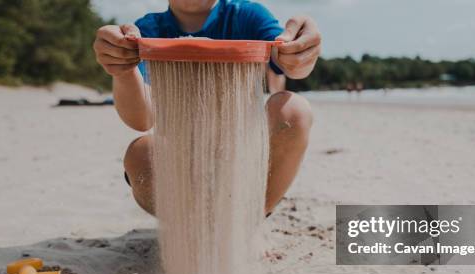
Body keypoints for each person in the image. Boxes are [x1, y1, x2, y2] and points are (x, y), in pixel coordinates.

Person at [93, 0, 321, 216]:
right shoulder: (148, 30)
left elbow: (287, 59)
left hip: (244, 161)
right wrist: (123, 70)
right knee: (140, 154)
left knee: (294, 111)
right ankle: (188, 229)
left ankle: (250, 222)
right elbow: (141, 120)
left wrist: (301, 52)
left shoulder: (246, 16)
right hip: (179, 165)